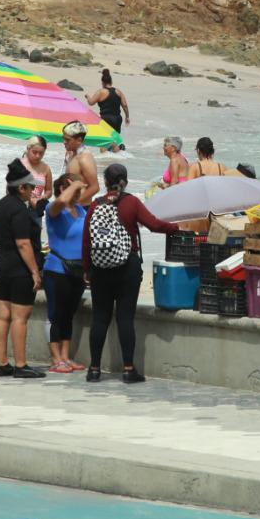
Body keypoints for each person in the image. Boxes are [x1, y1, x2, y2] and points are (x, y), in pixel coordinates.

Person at [81, 163, 178, 384]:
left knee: (100, 318)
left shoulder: (95, 206)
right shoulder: (132, 203)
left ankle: (94, 369)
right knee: (125, 318)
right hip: (128, 268)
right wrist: (175, 228)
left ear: (105, 182)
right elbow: (153, 225)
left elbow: (86, 242)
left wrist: (88, 269)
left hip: (100, 270)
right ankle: (128, 369)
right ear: (125, 180)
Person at [0, 163, 45, 379]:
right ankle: (21, 365)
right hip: (19, 269)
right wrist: (34, 271)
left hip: (3, 264)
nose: (33, 191)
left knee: (3, 315)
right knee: (20, 317)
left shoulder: (2, 205)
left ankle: (2, 362)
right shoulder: (19, 210)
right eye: (30, 187)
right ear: (21, 188)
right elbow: (23, 243)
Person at [42, 172, 88, 374]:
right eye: (75, 189)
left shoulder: (80, 209)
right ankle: (56, 358)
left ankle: (66, 356)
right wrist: (74, 184)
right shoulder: (53, 209)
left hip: (77, 269)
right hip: (57, 268)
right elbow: (61, 200)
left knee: (69, 314)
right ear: (64, 188)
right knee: (55, 314)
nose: (79, 193)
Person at [87, 69, 129, 152]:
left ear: (102, 82)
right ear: (111, 82)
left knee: (104, 141)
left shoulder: (101, 92)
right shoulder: (118, 92)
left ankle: (105, 160)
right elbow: (124, 105)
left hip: (106, 119)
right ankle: (118, 156)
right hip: (117, 119)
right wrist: (127, 117)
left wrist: (87, 96)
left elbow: (91, 102)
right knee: (114, 140)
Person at [61, 121, 100, 204]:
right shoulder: (71, 154)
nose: (64, 142)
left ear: (79, 140)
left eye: (67, 140)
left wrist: (75, 203)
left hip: (81, 209)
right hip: (70, 206)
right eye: (63, 138)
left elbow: (95, 187)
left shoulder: (84, 159)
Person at [7, 137, 53, 205]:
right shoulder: (19, 165)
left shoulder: (46, 168)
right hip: (18, 205)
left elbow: (49, 190)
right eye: (34, 152)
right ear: (28, 149)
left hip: (35, 207)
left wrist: (43, 197)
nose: (38, 156)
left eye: (41, 153)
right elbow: (9, 189)